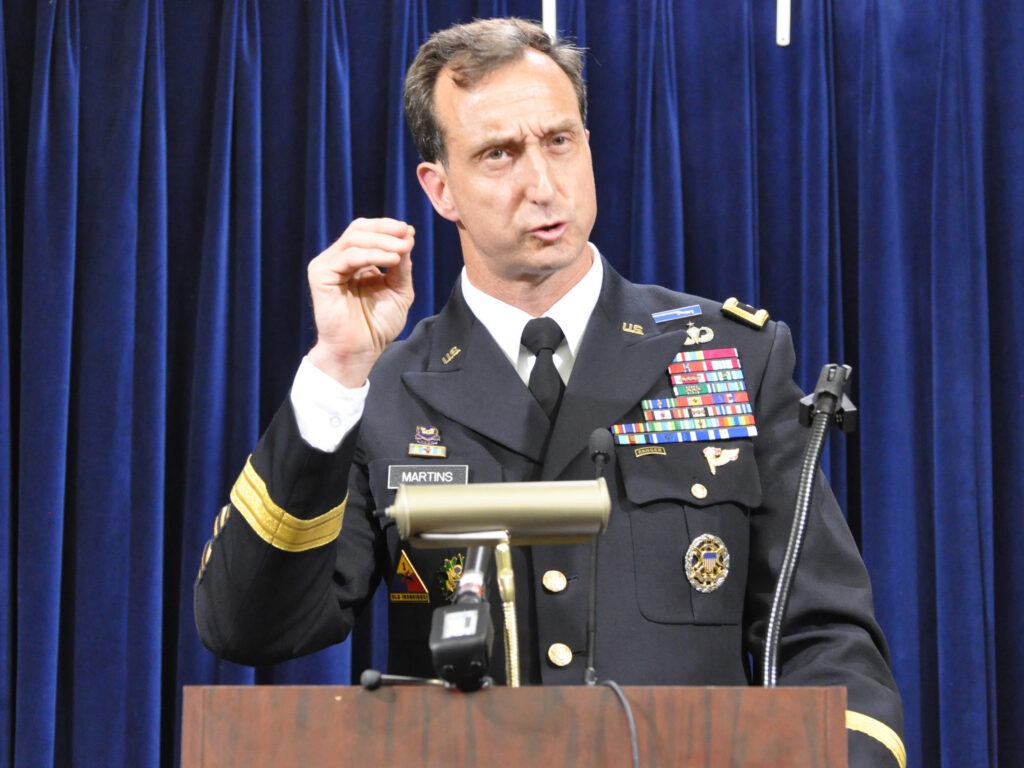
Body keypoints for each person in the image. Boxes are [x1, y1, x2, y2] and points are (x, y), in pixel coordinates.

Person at [195, 17, 905, 767]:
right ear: (440, 190)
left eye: (559, 141)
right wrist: (337, 371)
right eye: (499, 154)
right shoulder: (389, 391)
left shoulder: (734, 357)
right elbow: (252, 627)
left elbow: (825, 639)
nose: (542, 184)